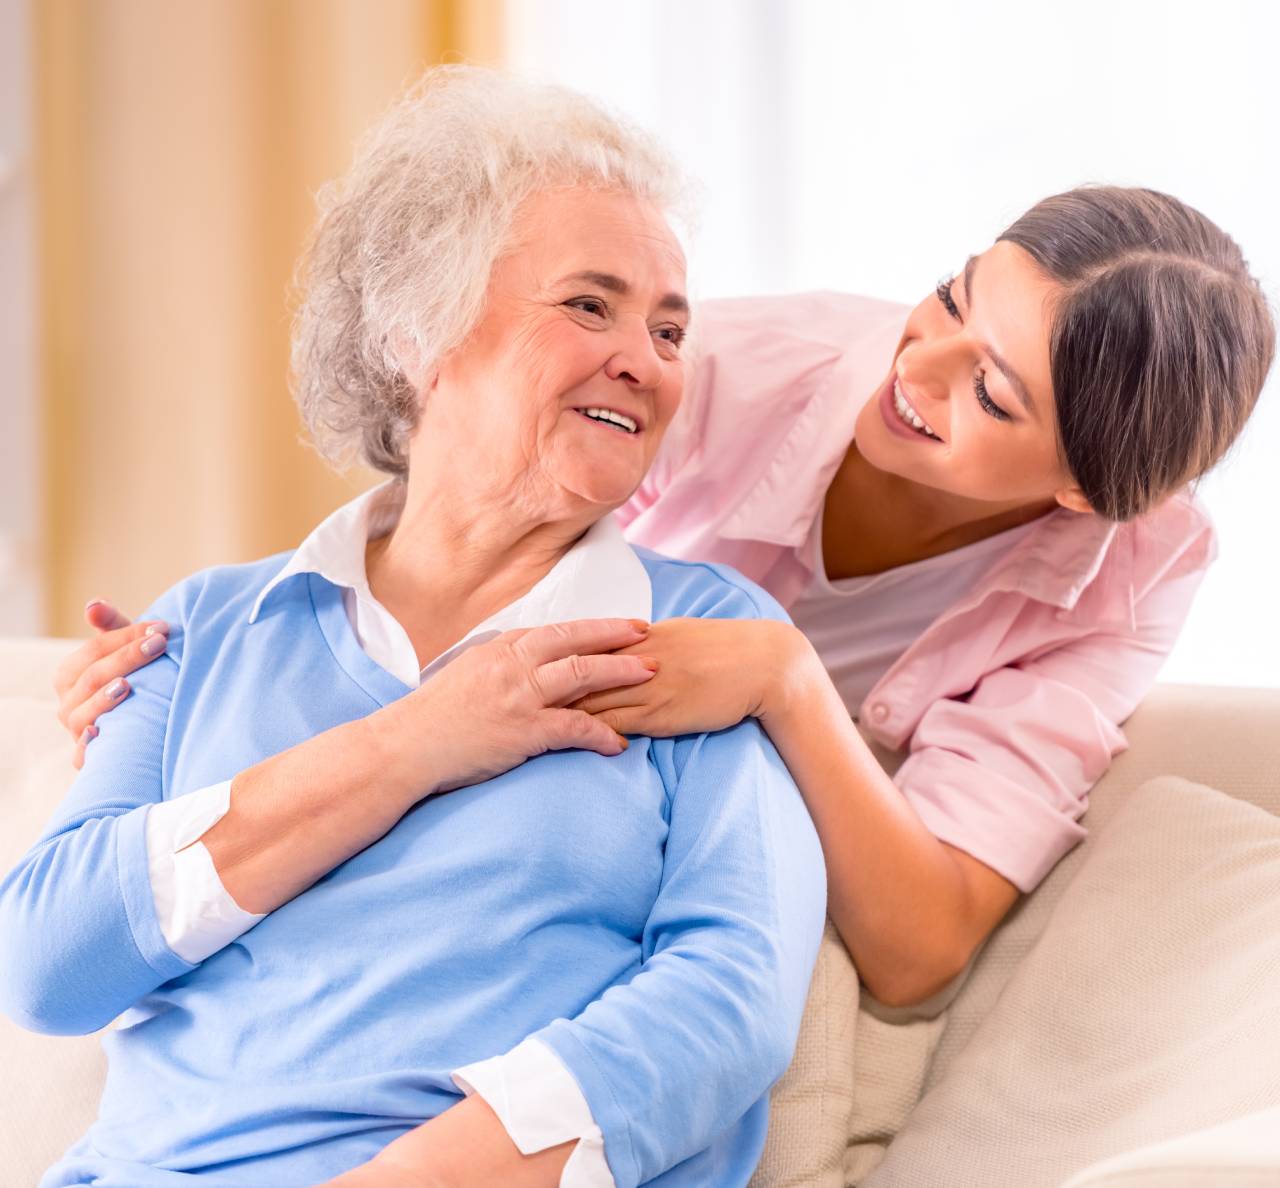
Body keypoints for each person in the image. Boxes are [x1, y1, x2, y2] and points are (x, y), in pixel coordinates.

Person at [68, 180, 1276, 1015]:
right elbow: (454, 541)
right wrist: (184, 666)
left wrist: (783, 679)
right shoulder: (712, 376)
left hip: (694, 863)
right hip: (522, 787)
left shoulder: (1134, 563)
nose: (918, 369)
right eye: (952, 301)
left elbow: (922, 948)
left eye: (993, 396)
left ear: (1079, 489)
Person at [0, 67, 827, 1188]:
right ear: (418, 330)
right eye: (590, 304)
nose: (646, 361)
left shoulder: (698, 639)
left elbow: (725, 1005)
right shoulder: (207, 627)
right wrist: (418, 741)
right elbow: (48, 965)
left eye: (669, 329)